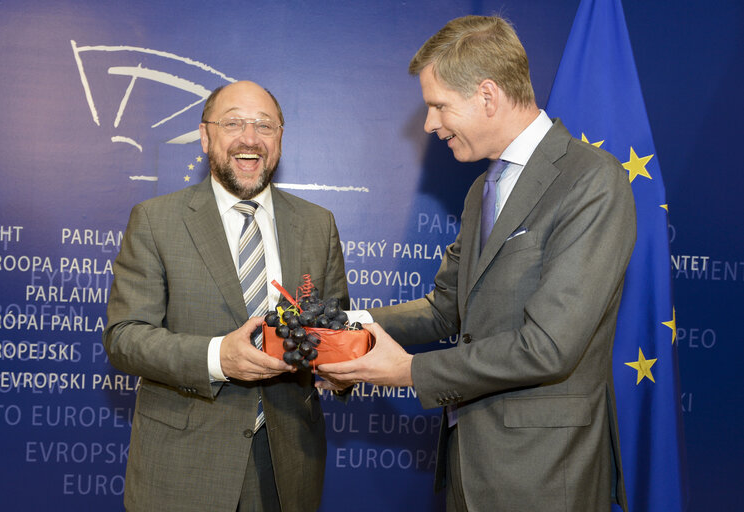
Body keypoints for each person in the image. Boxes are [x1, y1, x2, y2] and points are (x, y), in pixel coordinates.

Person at [317, 15, 634, 512]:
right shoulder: (481, 190)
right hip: (469, 469)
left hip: (547, 475)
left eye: (438, 106)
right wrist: (351, 325)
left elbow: (549, 347)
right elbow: (446, 309)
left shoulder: (592, 181)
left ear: (488, 96)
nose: (429, 124)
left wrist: (409, 372)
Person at [103, 80, 349, 512]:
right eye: (233, 122)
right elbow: (124, 338)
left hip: (288, 467)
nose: (249, 138)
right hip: (183, 467)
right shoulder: (156, 221)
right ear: (205, 136)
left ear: (280, 138)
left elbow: (333, 328)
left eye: (264, 126)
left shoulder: (317, 224)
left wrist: (341, 368)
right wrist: (218, 358)